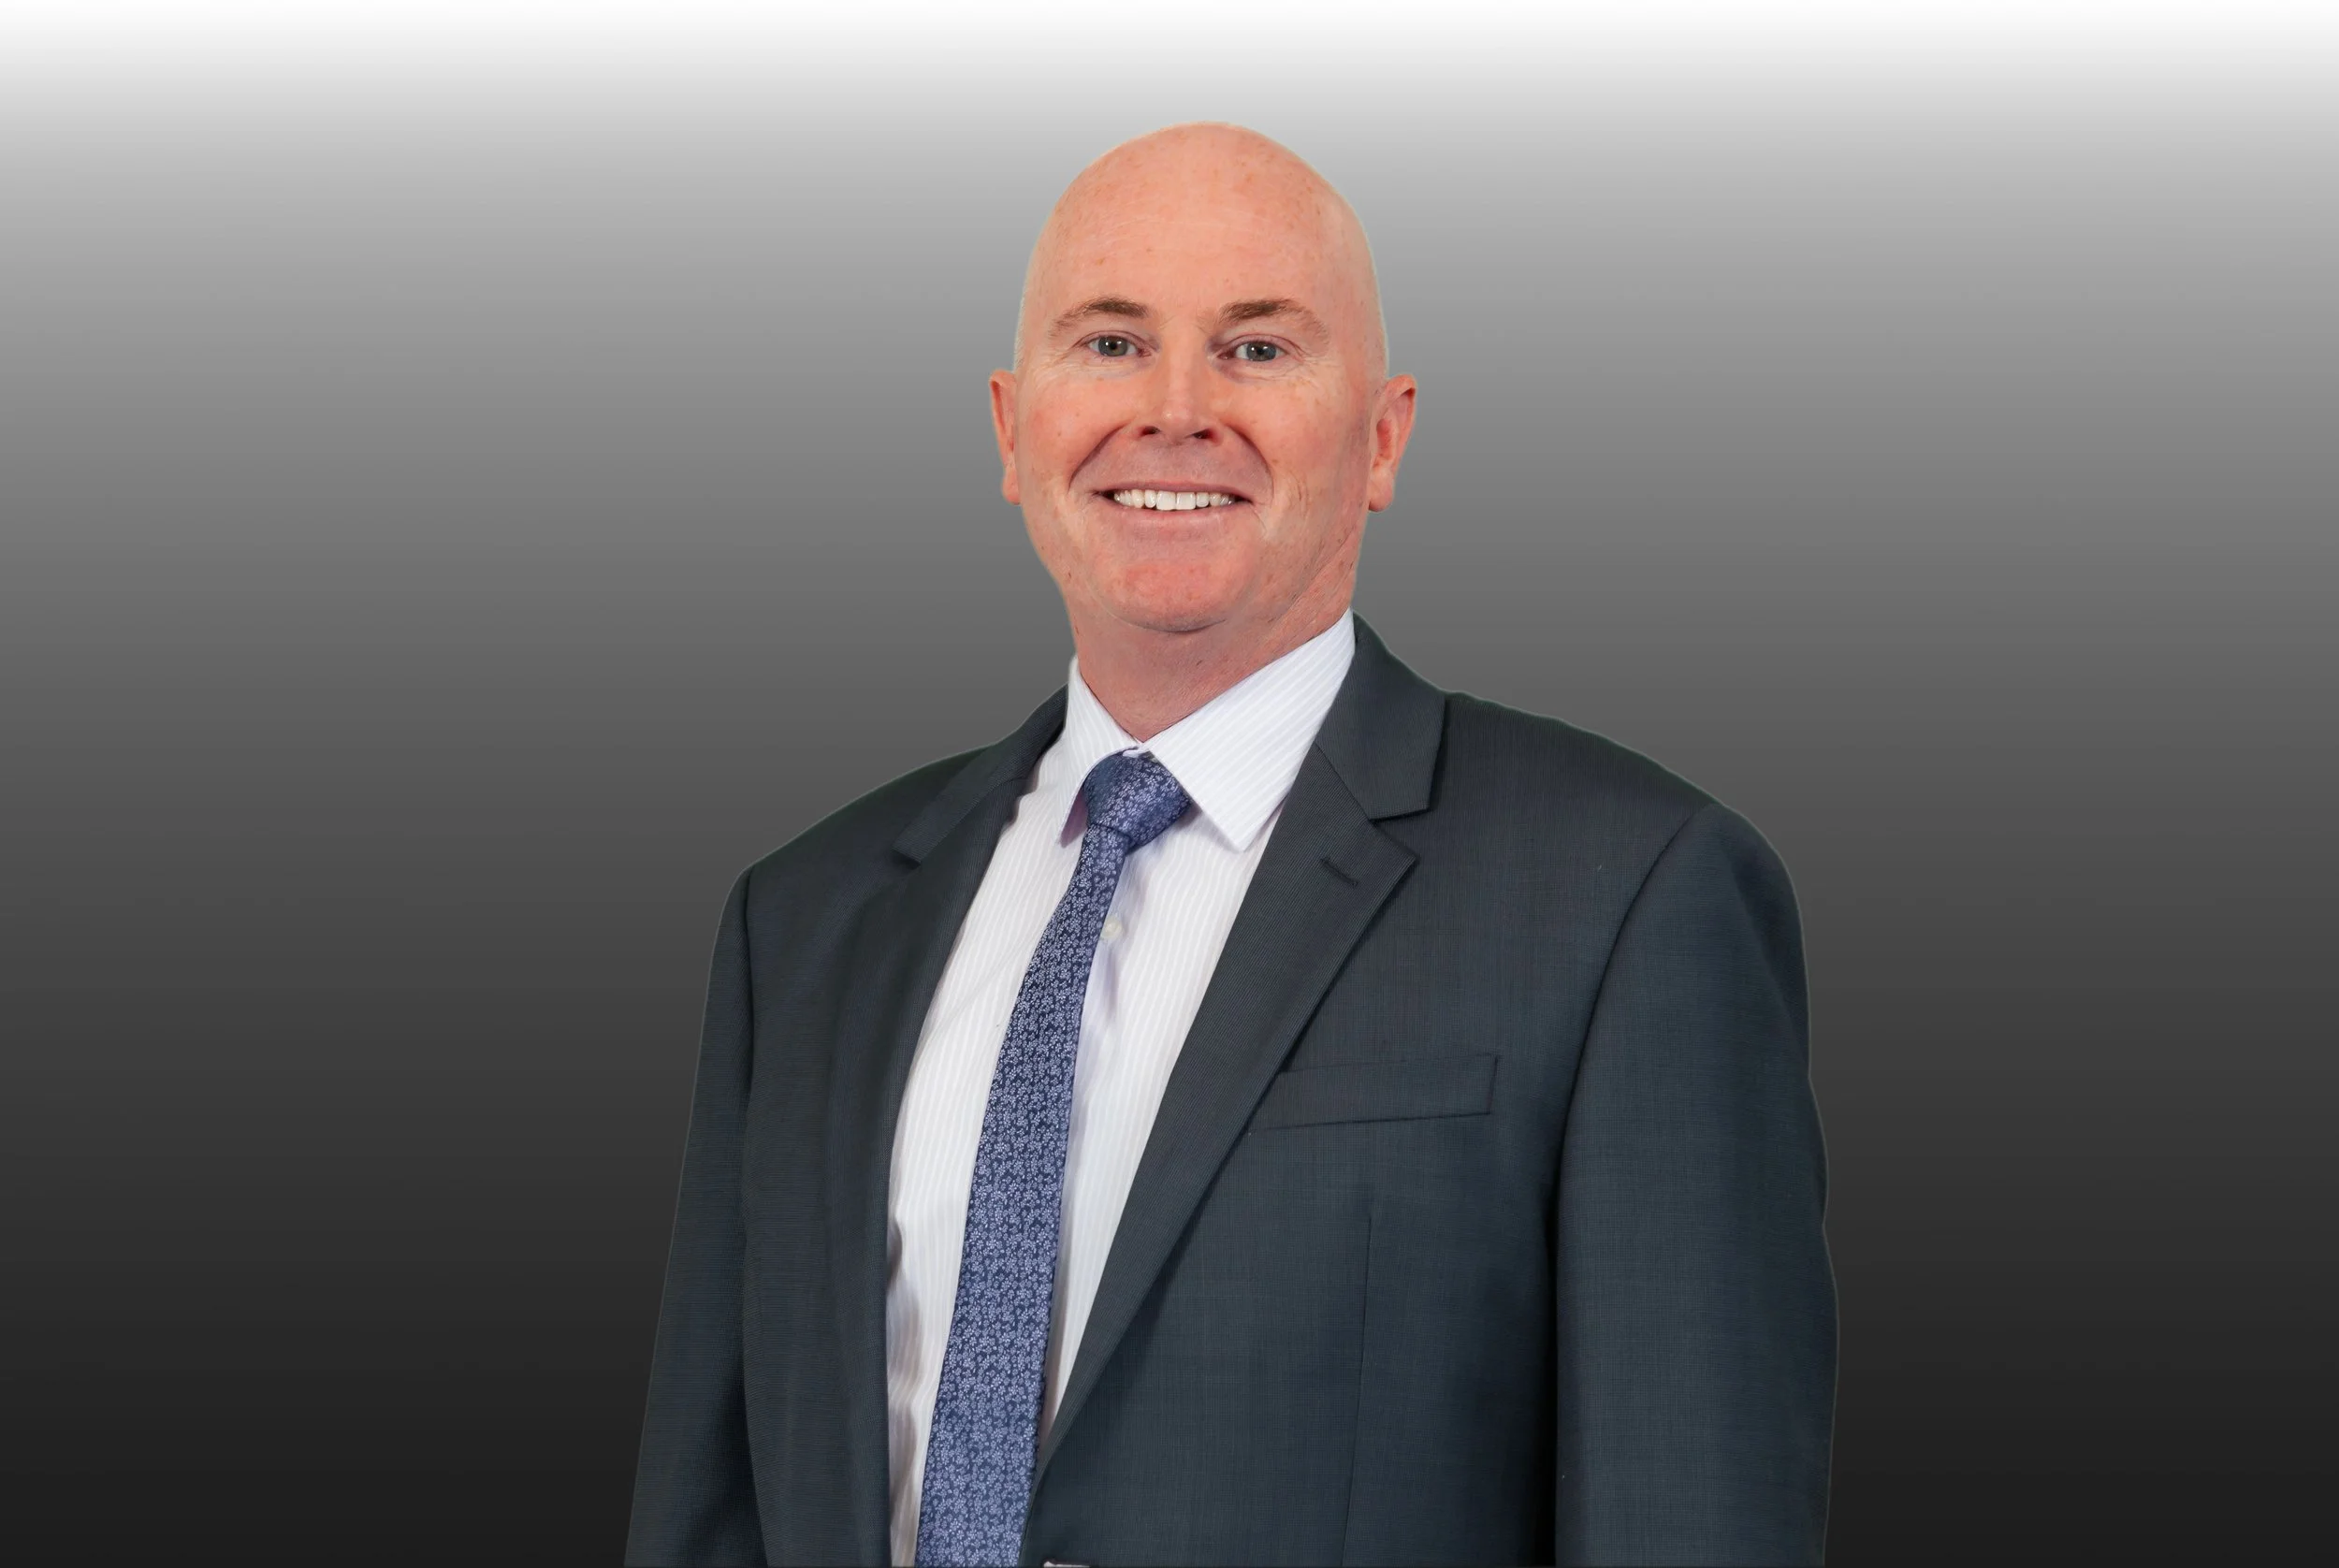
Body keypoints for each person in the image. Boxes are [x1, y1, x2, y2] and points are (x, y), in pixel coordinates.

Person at [625, 123, 1835, 1567]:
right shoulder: (805, 923)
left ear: (1381, 439)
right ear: (1013, 433)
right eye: (1112, 343)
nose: (1177, 408)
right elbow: (710, 1514)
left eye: (1259, 349)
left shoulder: (1630, 898)